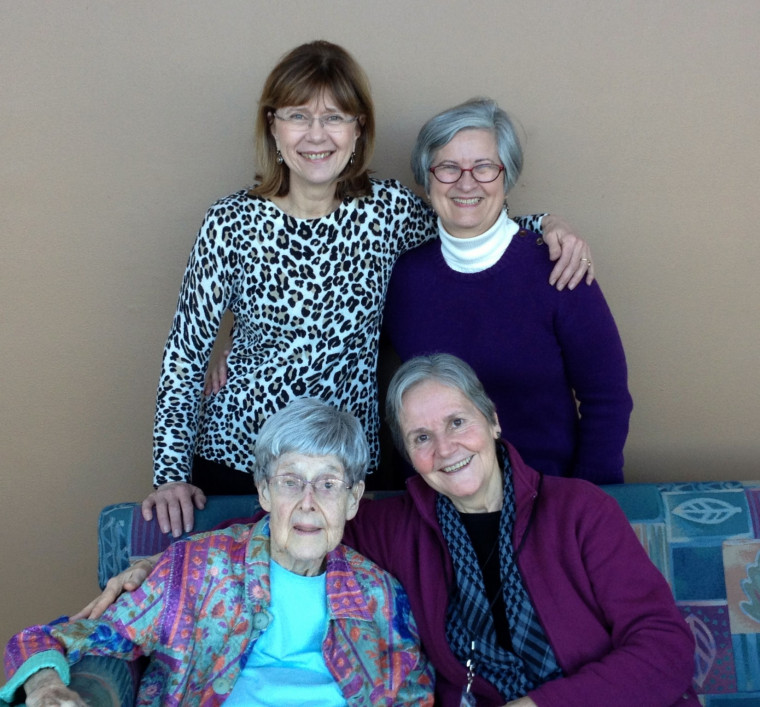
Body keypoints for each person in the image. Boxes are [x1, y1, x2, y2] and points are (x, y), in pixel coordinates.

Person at [146, 40, 594, 538]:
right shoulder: (229, 222)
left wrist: (546, 224)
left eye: (335, 117)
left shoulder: (386, 210)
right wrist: (170, 476)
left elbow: (468, 220)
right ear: (273, 125)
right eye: (298, 115)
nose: (317, 135)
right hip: (244, 460)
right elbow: (185, 356)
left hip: (352, 468)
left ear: (359, 129)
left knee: (355, 606)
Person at [77, 356, 698, 706]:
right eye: (421, 437)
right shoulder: (398, 523)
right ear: (407, 454)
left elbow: (667, 649)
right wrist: (161, 565)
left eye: (458, 422)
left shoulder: (579, 511)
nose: (446, 448)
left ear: (494, 422)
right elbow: (296, 517)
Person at [1, 399, 434, 706]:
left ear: (353, 499)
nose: (308, 501)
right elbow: (53, 637)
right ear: (264, 491)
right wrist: (44, 688)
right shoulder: (195, 570)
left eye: (327, 484)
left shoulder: (378, 594)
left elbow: (414, 694)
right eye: (290, 481)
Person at [382, 98, 632, 484]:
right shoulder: (404, 278)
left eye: (484, 167)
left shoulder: (558, 267)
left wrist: (588, 499)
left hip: (550, 495)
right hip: (439, 502)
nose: (467, 182)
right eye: (448, 167)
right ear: (427, 179)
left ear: (506, 175)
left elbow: (608, 400)